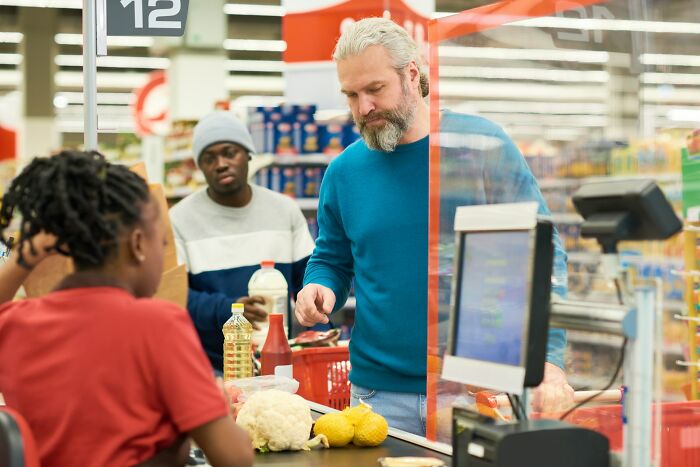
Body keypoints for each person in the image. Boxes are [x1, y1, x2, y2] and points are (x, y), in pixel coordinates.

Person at [294, 18, 574, 436]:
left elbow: (541, 252)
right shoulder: (344, 172)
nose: (363, 108)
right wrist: (321, 287)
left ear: (411, 75)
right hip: (376, 396)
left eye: (374, 90)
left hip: (481, 390)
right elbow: (332, 257)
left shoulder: (482, 148)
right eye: (351, 95)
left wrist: (549, 362)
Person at [0, 150, 253, 467]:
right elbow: (235, 458)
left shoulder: (16, 325)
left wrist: (28, 252)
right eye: (161, 243)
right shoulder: (158, 323)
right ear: (137, 244)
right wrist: (218, 408)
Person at [169, 111, 316, 372]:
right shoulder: (179, 219)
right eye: (209, 158)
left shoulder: (284, 211)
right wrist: (229, 310)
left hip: (278, 363)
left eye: (229, 152)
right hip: (211, 368)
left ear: (248, 154)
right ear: (200, 166)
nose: (221, 164)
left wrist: (318, 345)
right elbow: (175, 298)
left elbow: (309, 286)